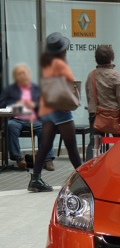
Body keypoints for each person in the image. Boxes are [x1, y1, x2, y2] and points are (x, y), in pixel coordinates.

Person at [28, 32, 83, 192]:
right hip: (60, 109)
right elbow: (65, 87)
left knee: (45, 144)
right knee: (71, 146)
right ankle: (84, 180)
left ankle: (35, 179)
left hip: (49, 108)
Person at [0, 64, 55, 170]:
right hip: (15, 119)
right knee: (10, 126)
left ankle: (47, 159)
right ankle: (19, 158)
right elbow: (1, 105)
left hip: (32, 119)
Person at [84, 45, 120, 160]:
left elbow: (89, 96)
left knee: (94, 144)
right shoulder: (115, 76)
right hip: (114, 116)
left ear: (96, 59)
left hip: (96, 115)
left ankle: (90, 167)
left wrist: (92, 110)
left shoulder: (91, 75)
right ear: (111, 58)